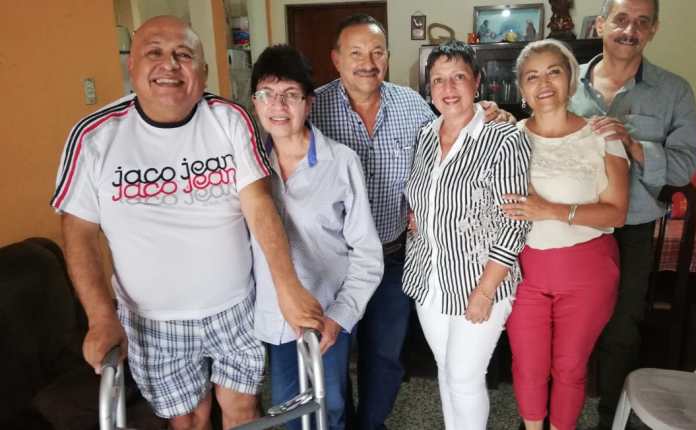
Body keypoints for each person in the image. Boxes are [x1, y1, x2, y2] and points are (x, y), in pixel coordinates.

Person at [50, 16, 322, 430]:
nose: (170, 65)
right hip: (151, 320)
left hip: (234, 305)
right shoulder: (94, 137)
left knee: (243, 411)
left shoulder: (230, 118)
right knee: (189, 420)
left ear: (204, 70)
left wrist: (288, 287)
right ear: (131, 65)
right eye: (154, 53)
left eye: (183, 54)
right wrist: (101, 317)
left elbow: (259, 204)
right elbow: (80, 233)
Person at [309, 14, 513, 429]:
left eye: (377, 52)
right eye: (356, 53)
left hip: (393, 256)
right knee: (333, 361)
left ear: (387, 57)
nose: (368, 62)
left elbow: (454, 134)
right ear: (336, 59)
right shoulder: (313, 108)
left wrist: (490, 111)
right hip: (332, 263)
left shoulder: (412, 107)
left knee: (385, 355)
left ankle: (372, 424)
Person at [568, 1, 696, 428]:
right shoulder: (564, 80)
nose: (631, 30)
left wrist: (633, 145)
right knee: (561, 323)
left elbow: (684, 166)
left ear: (654, 29)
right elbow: (533, 139)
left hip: (631, 228)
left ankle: (612, 418)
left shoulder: (674, 91)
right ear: (601, 24)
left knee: (622, 328)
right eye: (622, 19)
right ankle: (551, 416)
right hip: (568, 225)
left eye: (642, 22)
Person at [249, 44, 383, 430]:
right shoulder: (248, 165)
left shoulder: (340, 162)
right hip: (274, 318)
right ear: (255, 102)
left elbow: (367, 253)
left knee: (331, 409)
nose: (278, 105)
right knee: (288, 411)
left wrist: (339, 318)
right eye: (267, 94)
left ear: (308, 103)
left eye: (290, 94)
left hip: (326, 317)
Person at [403, 40, 532, 430]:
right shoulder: (426, 134)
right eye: (438, 79)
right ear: (429, 88)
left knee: (464, 376)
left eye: (458, 76)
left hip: (479, 280)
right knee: (447, 369)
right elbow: (423, 192)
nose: (448, 88)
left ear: (477, 81)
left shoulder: (504, 138)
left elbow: (515, 222)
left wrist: (485, 291)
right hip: (430, 277)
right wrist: (418, 213)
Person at [502, 39, 630, 430]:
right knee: (527, 365)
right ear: (521, 89)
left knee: (571, 367)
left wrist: (551, 210)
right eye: (532, 76)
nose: (543, 83)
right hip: (523, 270)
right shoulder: (508, 139)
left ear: (571, 79)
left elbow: (617, 212)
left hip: (587, 270)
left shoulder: (602, 135)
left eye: (553, 72)